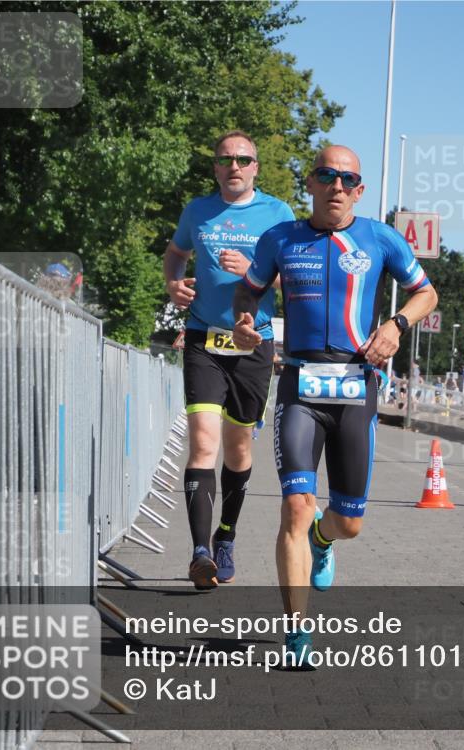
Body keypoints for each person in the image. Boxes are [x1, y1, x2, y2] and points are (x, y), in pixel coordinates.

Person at [233, 145, 437, 664]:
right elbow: (248, 293)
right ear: (312, 182)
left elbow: (426, 294)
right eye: (327, 175)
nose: (337, 185)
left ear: (360, 189)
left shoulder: (379, 237)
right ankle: (296, 633)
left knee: (348, 522)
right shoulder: (281, 238)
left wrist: (396, 325)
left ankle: (326, 540)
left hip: (354, 389)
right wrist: (244, 324)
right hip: (299, 388)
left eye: (348, 178)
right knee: (296, 507)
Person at [164, 130, 294, 589]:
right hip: (203, 337)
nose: (234, 167)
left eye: (243, 159)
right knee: (203, 443)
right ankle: (200, 552)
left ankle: (226, 534)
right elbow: (176, 252)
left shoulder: (278, 214)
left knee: (238, 448)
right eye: (225, 160)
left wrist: (257, 273)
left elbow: (295, 279)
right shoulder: (198, 211)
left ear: (256, 167)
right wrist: (172, 283)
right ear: (216, 167)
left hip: (252, 343)